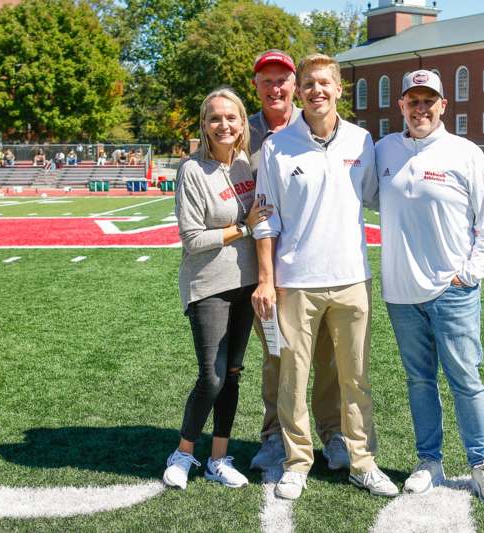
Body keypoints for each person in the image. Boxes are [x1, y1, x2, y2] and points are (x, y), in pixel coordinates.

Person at [252, 54, 395, 501]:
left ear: (338, 90)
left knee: (355, 377)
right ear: (301, 90)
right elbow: (265, 218)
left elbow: (378, 198)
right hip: (296, 280)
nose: (317, 91)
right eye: (310, 84)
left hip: (353, 276)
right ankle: (297, 462)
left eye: (324, 84)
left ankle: (362, 460)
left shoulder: (361, 139)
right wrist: (267, 279)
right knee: (292, 376)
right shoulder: (277, 145)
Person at [375, 69, 484, 504]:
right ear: (401, 105)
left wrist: (468, 274)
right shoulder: (384, 151)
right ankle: (429, 461)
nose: (421, 108)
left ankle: (481, 463)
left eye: (429, 100)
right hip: (400, 292)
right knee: (418, 381)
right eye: (413, 100)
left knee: (466, 379)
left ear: (443, 106)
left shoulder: (464, 153)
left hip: (452, 291)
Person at [163, 88, 272, 491]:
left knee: (232, 373)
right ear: (204, 125)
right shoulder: (192, 170)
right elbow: (192, 239)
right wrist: (242, 227)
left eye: (231, 117)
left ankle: (218, 458)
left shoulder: (246, 163)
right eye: (215, 118)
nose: (223, 125)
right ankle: (184, 452)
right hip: (208, 285)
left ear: (243, 122)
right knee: (211, 376)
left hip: (246, 285)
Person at [246, 49, 349, 474]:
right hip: (261, 265)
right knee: (277, 356)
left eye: (282, 80)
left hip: (317, 264)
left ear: (295, 85)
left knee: (326, 357)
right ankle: (275, 436)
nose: (275, 88)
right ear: (256, 86)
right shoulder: (241, 128)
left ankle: (333, 432)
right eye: (266, 80)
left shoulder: (318, 125)